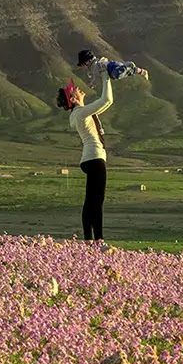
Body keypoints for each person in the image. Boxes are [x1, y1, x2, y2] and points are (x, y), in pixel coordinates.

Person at [61, 72, 113, 241]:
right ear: (73, 99)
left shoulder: (80, 113)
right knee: (96, 201)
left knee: (91, 200)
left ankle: (89, 239)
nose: (77, 88)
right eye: (73, 90)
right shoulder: (81, 113)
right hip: (95, 158)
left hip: (91, 159)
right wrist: (106, 77)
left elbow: (106, 104)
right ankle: (98, 240)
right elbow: (106, 101)